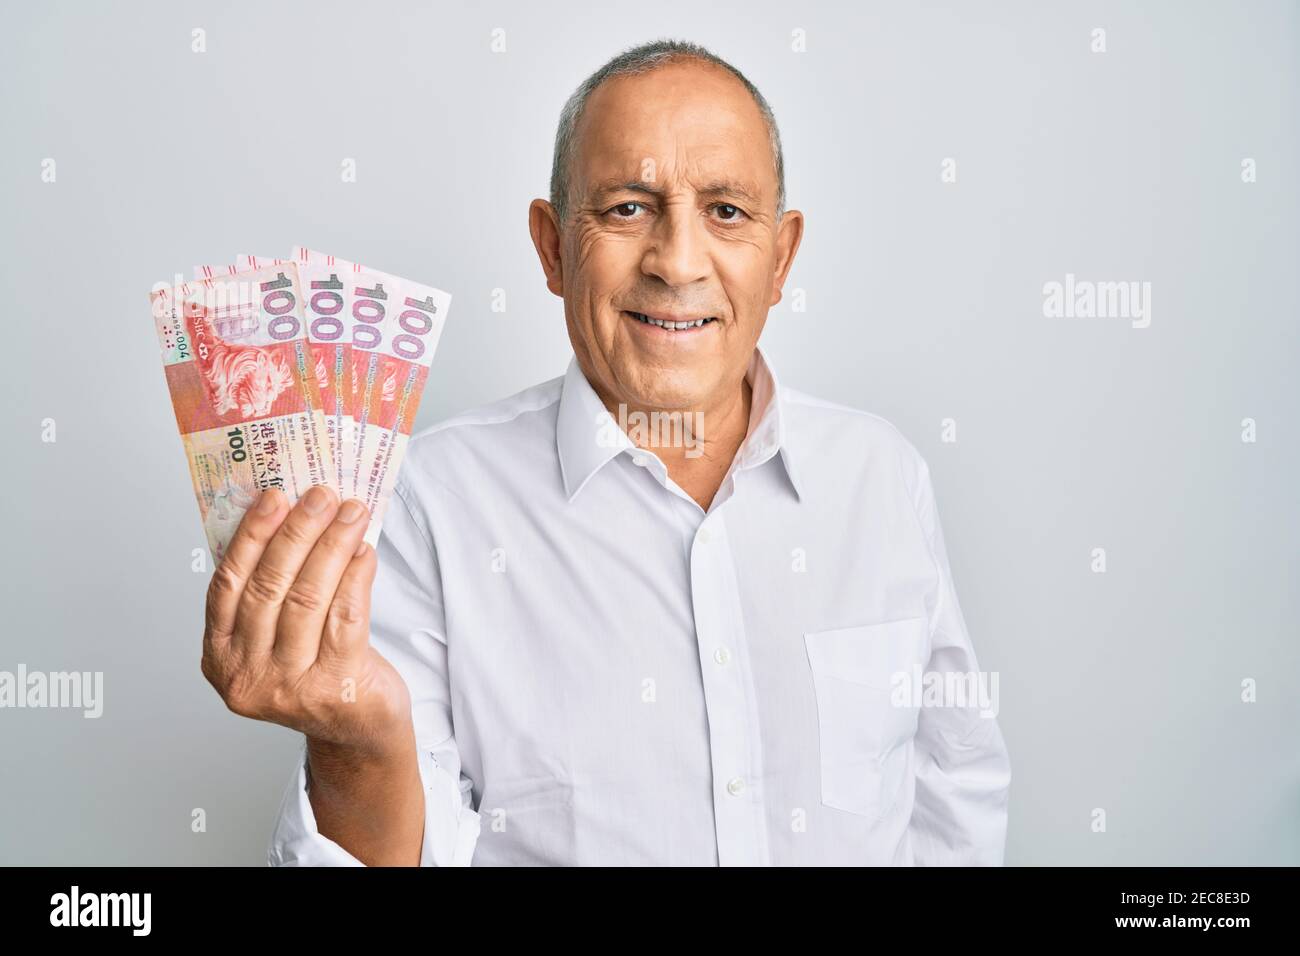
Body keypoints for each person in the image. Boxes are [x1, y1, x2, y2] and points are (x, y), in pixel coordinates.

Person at [200, 39, 1011, 866]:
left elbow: (955, 790)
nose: (678, 262)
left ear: (782, 256)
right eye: (627, 207)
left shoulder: (882, 476)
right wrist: (354, 745)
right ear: (553, 248)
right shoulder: (430, 505)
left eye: (727, 211)